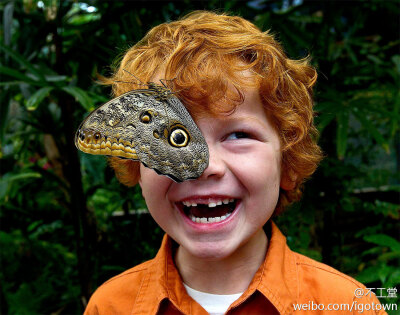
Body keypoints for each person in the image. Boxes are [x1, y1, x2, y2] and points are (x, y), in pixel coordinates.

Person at [84, 11, 385, 315]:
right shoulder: (109, 307)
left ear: (288, 161)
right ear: (137, 166)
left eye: (238, 135)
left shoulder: (349, 305)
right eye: (171, 140)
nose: (203, 167)